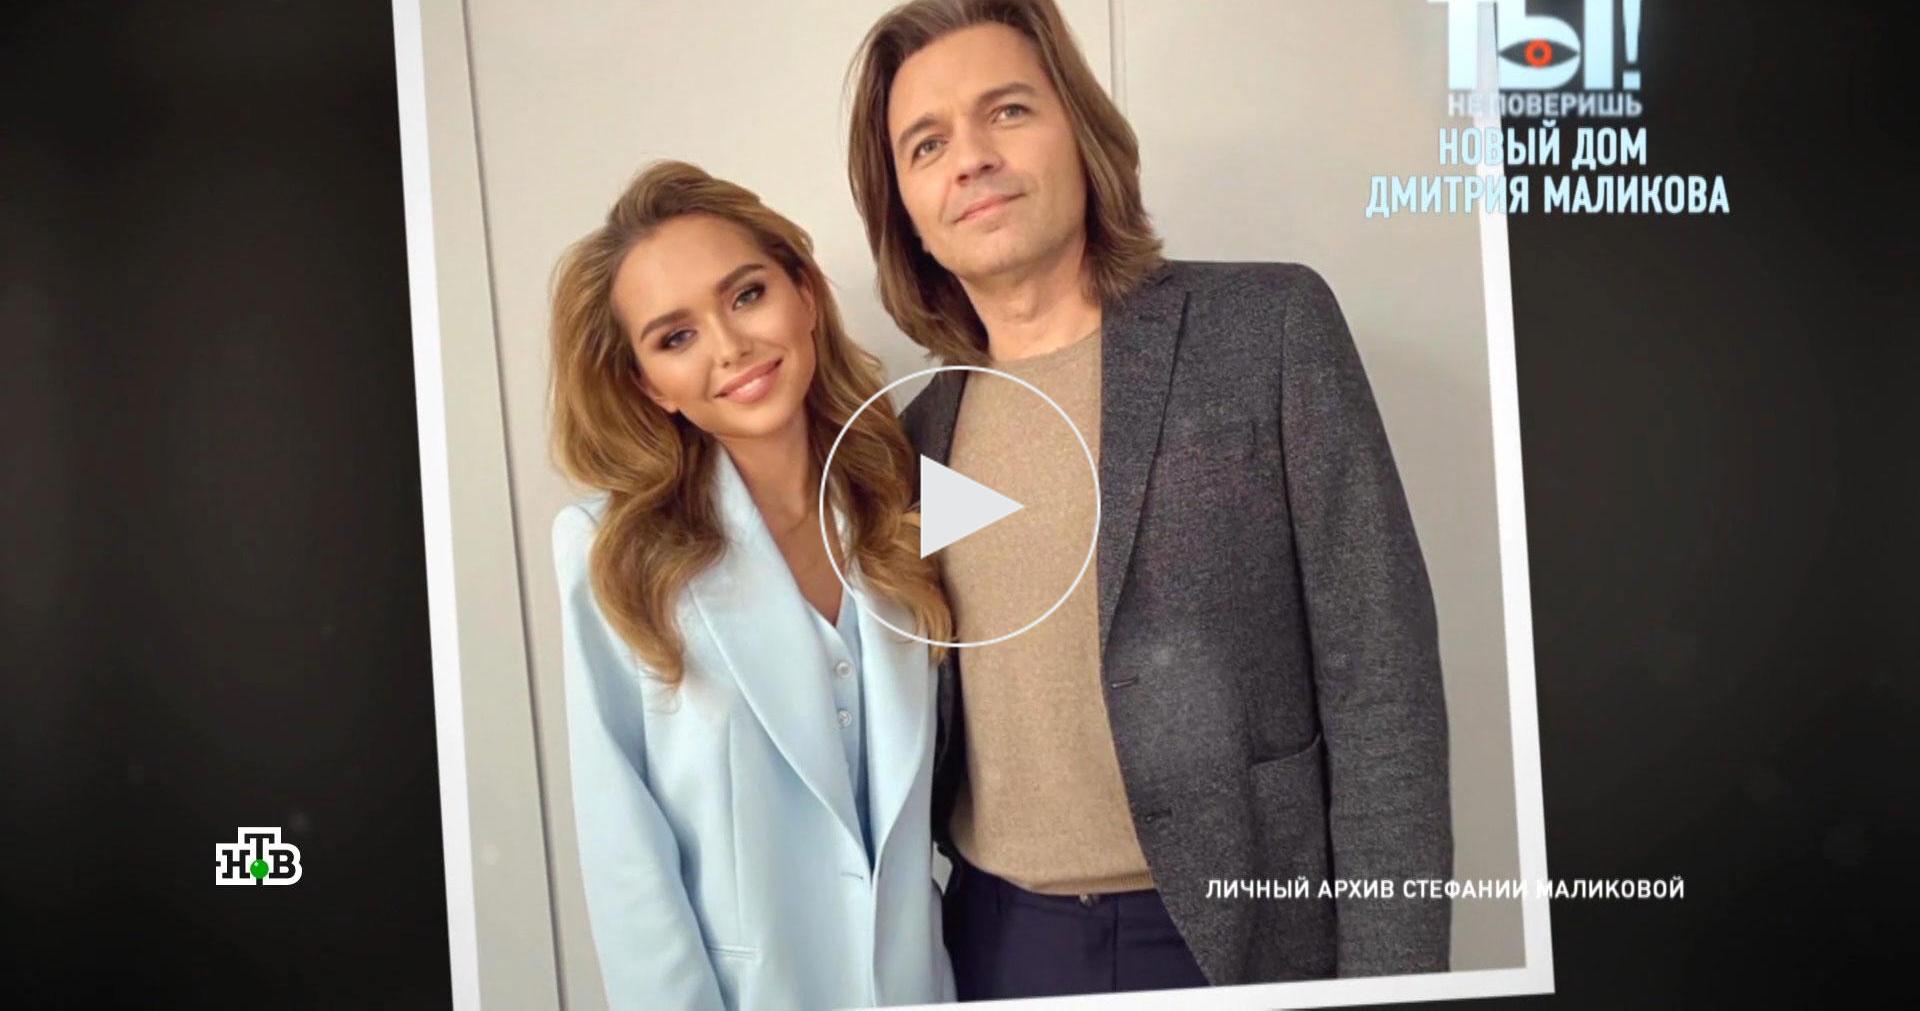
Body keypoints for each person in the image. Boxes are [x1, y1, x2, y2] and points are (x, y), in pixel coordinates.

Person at [845, 0, 1453, 998]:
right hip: (999, 946)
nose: (972, 159)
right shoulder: (914, 441)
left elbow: (1382, 690)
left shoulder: (1268, 331)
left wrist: (1395, 984)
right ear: (904, 208)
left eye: (1007, 111)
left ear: (1080, 130)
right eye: (927, 144)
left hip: (1241, 935)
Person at [548, 160, 955, 1010]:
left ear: (803, 294)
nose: (730, 347)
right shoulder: (609, 553)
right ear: (647, 384)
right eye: (675, 337)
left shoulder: (905, 497)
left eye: (746, 295)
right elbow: (625, 854)